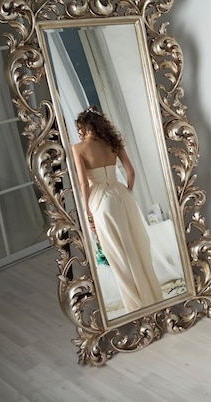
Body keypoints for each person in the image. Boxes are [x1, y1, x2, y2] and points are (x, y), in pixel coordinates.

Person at [73, 105, 163, 313]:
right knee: (136, 246)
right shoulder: (113, 143)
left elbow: (83, 184)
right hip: (122, 195)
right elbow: (130, 173)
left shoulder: (78, 149)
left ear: (84, 127)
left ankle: (136, 305)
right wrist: (128, 193)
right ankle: (150, 296)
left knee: (118, 255)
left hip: (102, 201)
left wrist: (86, 212)